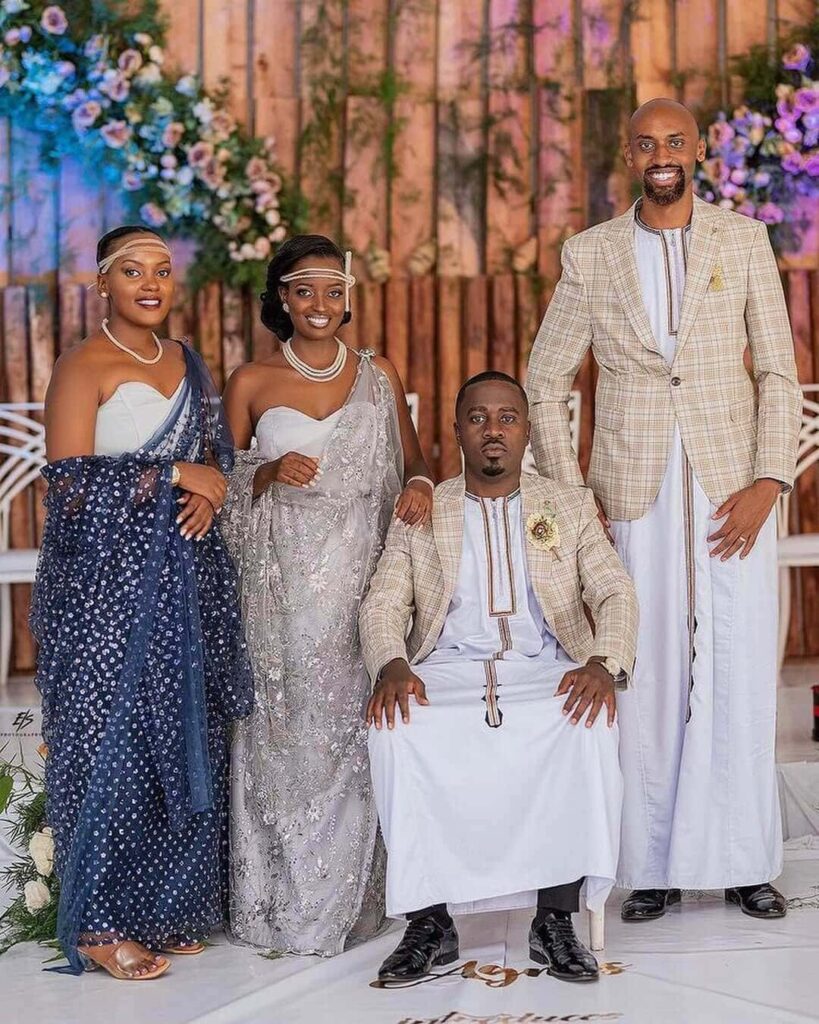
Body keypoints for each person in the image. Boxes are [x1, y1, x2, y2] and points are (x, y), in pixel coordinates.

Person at [527, 99, 801, 921]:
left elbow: (778, 373)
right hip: (630, 486)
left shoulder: (742, 238)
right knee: (640, 669)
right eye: (645, 143)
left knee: (737, 665)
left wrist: (767, 481)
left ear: (696, 151)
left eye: (674, 142)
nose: (660, 155)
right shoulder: (590, 253)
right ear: (627, 154)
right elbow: (544, 379)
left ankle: (744, 858)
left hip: (731, 489)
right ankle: (647, 865)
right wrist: (575, 502)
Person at [361, 371, 638, 983]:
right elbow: (383, 601)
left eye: (507, 417)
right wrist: (391, 663)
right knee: (396, 728)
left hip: (545, 667)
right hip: (448, 669)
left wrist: (602, 661)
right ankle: (428, 922)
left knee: (582, 725)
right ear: (457, 430)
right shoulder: (427, 506)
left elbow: (616, 590)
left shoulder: (566, 504)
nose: (493, 430)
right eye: (479, 417)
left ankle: (556, 916)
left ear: (529, 430)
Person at [33, 227, 254, 979]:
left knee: (176, 736)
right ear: (104, 283)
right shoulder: (82, 365)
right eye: (133, 271)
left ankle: (162, 906)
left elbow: (215, 457)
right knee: (108, 743)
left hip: (181, 583)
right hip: (102, 590)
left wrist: (206, 488)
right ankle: (96, 924)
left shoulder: (187, 362)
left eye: (161, 270)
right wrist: (171, 481)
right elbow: (63, 488)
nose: (151, 283)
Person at [220, 234, 433, 956]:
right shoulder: (249, 381)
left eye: (333, 290)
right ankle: (278, 899)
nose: (320, 304)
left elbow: (417, 461)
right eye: (304, 289)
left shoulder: (378, 374)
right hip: (280, 590)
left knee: (353, 726)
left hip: (360, 582)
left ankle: (357, 897)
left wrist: (417, 486)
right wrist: (269, 472)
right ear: (281, 297)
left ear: (347, 299)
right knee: (284, 732)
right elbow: (220, 492)